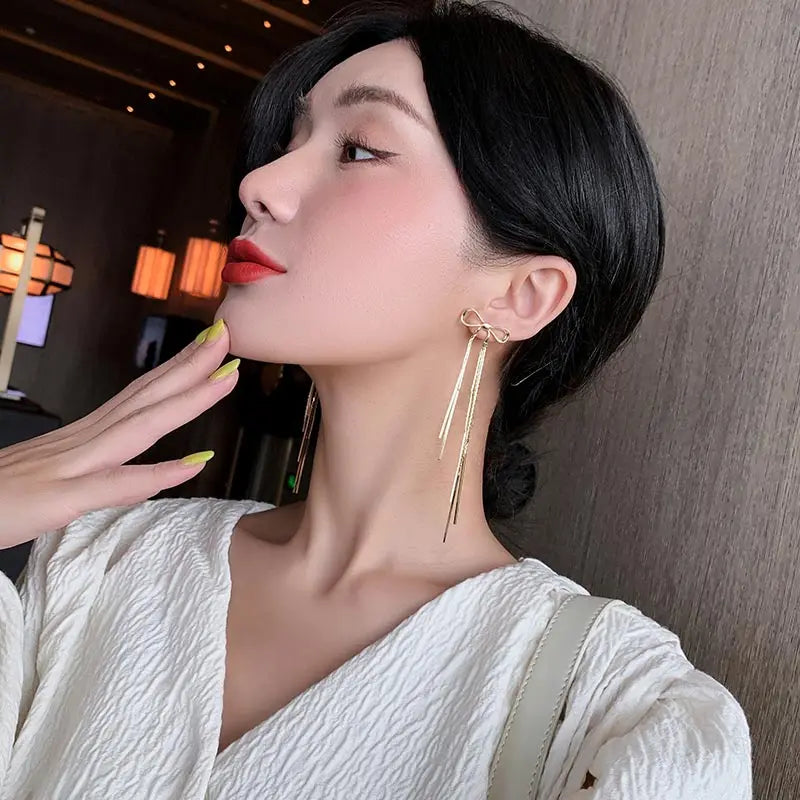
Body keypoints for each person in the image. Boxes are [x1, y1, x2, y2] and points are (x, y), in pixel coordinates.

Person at [0, 1, 752, 797]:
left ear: (522, 294)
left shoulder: (609, 709)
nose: (258, 184)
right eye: (288, 141)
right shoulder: (98, 563)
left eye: (359, 148)